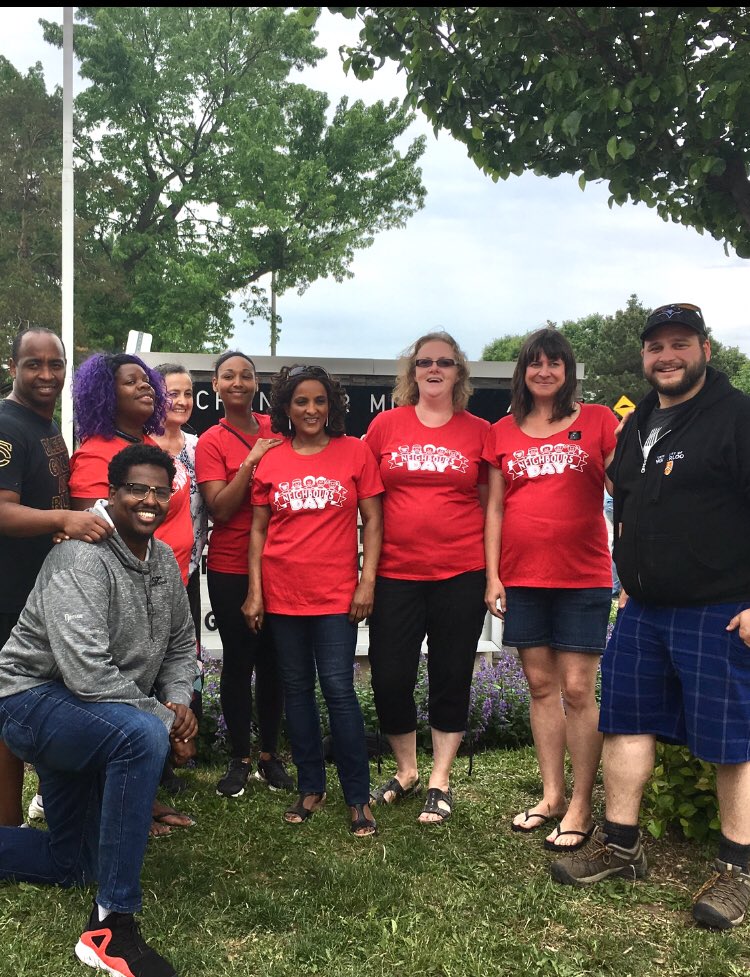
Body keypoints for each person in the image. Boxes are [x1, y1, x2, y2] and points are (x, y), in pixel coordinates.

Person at [551, 303, 750, 930]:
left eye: (680, 343)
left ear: (705, 350)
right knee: (625, 724)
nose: (666, 355)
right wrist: (630, 577)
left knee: (730, 744)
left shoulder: (737, 417)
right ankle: (621, 847)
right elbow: (629, 503)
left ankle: (738, 873)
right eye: (656, 346)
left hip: (719, 608)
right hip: (644, 608)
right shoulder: (638, 423)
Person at [0, 443, 197, 977]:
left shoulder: (159, 560)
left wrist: (179, 702)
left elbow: (181, 646)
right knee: (141, 736)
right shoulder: (80, 555)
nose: (149, 499)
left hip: (91, 715)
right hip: (30, 701)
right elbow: (86, 670)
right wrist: (162, 721)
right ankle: (110, 928)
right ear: (112, 492)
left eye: (160, 489)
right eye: (137, 488)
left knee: (73, 863)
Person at [484, 328, 617, 850]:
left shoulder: (599, 420)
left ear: (568, 370)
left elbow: (622, 487)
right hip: (522, 576)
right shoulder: (502, 431)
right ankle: (552, 795)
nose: (544, 371)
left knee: (579, 689)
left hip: (583, 575)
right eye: (534, 363)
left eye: (554, 363)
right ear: (523, 371)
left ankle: (583, 803)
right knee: (541, 687)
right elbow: (494, 506)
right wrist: (493, 574)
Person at [242, 364, 383, 836]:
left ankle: (358, 795)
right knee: (297, 693)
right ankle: (310, 787)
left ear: (332, 405)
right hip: (282, 595)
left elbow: (374, 522)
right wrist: (255, 593)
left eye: (319, 400)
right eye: (301, 401)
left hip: (335, 597)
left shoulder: (356, 453)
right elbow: (258, 531)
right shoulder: (272, 459)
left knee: (339, 691)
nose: (311, 409)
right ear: (286, 407)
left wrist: (366, 583)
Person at [363, 332, 489, 825]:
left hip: (461, 571)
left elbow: (489, 503)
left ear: (459, 372)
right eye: (424, 362)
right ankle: (406, 770)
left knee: (451, 673)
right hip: (396, 572)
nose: (434, 369)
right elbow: (368, 498)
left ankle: (440, 778)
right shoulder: (385, 427)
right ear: (411, 372)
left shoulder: (479, 430)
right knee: (391, 675)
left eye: (445, 362)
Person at [69, 352, 196, 833]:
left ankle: (144, 794)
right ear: (107, 393)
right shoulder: (96, 451)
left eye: (148, 382)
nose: (148, 388)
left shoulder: (148, 443)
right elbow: (92, 529)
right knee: (115, 690)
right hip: (119, 592)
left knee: (146, 680)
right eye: (132, 382)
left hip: (164, 583)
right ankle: (116, 804)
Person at [0, 327, 112, 827]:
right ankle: (7, 831)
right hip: (9, 596)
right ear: (13, 368)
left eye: (55, 364)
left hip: (41, 595)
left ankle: (50, 802)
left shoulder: (45, 425)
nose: (46, 375)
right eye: (33, 364)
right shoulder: (6, 426)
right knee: (8, 713)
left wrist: (58, 528)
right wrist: (63, 520)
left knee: (45, 703)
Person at [195, 351, 292, 797]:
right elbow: (219, 507)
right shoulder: (212, 441)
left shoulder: (279, 429)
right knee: (239, 661)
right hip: (232, 564)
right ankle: (240, 757)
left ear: (257, 384)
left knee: (275, 662)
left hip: (283, 560)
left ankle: (270, 757)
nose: (238, 382)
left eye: (246, 376)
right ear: (215, 385)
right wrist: (251, 462)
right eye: (229, 376)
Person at [152, 364, 208, 643]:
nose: (183, 401)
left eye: (188, 393)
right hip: (146, 572)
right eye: (173, 393)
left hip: (189, 570)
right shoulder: (139, 447)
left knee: (186, 658)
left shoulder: (201, 447)